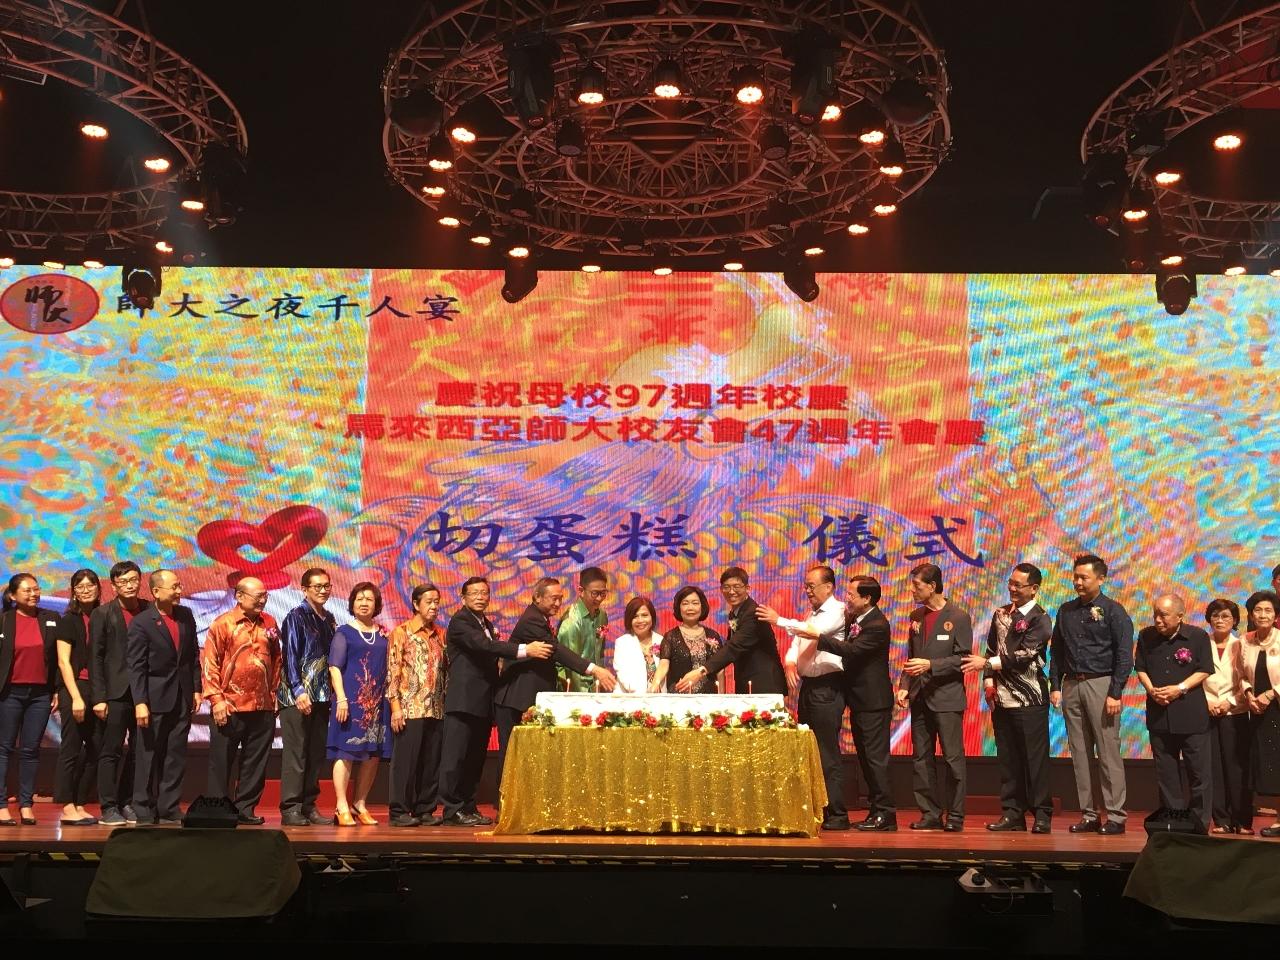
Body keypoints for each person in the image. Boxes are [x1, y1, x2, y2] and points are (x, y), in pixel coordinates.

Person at [440, 577, 553, 826]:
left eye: (485, 593)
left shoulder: (486, 623)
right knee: (456, 757)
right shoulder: (460, 621)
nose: (481, 597)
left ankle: (468, 807)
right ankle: (452, 810)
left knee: (475, 758)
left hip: (482, 701)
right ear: (463, 597)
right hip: (463, 700)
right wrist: (525, 650)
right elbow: (484, 646)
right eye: (475, 593)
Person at [493, 577, 616, 790]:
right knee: (510, 755)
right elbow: (556, 650)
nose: (558, 604)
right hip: (514, 698)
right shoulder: (532, 619)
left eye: (560, 599)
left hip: (525, 698)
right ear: (537, 597)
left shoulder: (540, 618)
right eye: (553, 599)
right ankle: (504, 805)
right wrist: (594, 669)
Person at [962, 563, 1054, 833]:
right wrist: (988, 684)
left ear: (1034, 589)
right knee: (1008, 759)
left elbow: (1023, 656)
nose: (1012, 588)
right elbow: (991, 649)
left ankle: (1042, 814)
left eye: (1019, 585)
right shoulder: (1000, 614)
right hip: (1002, 699)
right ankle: (1012, 813)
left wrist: (987, 665)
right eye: (1010, 583)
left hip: (1030, 699)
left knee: (1034, 760)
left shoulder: (1041, 618)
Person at [758, 565, 848, 830]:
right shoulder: (814, 613)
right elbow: (797, 643)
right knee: (808, 749)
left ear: (828, 587)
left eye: (812, 586)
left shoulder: (837, 611)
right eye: (806, 586)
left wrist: (779, 620)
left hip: (828, 687)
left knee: (826, 752)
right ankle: (816, 809)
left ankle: (837, 813)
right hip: (810, 687)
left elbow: (811, 632)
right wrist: (789, 663)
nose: (808, 591)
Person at [1049, 553, 1133, 835]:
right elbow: (1057, 652)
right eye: (1075, 577)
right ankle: (1088, 813)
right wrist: (1055, 686)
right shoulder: (1066, 610)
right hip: (1072, 684)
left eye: (1084, 577)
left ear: (1101, 579)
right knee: (1080, 753)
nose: (1078, 582)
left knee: (1108, 752)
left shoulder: (1113, 610)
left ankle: (1116, 816)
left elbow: (1124, 655)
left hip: (1102, 684)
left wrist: (1115, 692)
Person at [815, 574, 896, 831]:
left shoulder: (877, 625)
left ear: (867, 598)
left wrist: (816, 636)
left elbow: (851, 651)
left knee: (875, 759)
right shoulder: (857, 620)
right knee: (866, 758)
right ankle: (876, 811)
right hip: (860, 700)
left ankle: (886, 813)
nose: (847, 598)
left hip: (874, 701)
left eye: (851, 595)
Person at [896, 563, 972, 832]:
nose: (913, 590)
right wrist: (905, 684)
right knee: (921, 758)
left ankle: (955, 815)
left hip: (947, 697)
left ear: (933, 585)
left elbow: (963, 658)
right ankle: (929, 812)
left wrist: (931, 666)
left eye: (917, 585)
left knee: (952, 758)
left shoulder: (958, 616)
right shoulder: (916, 616)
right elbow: (911, 656)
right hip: (920, 696)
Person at [201, 577, 282, 825]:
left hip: (262, 705)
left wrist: (274, 694)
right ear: (239, 596)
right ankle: (217, 810)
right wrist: (216, 700)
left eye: (265, 595)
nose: (263, 600)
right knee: (221, 761)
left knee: (255, 762)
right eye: (257, 596)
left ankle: (245, 808)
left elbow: (277, 659)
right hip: (230, 705)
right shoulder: (223, 623)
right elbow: (209, 664)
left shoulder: (269, 622)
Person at [128, 569, 201, 825]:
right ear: (156, 592)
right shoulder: (142, 622)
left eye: (180, 586)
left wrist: (196, 689)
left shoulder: (186, 615)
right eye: (174, 587)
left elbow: (192, 656)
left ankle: (168, 805)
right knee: (148, 754)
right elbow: (136, 666)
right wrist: (140, 702)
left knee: (175, 754)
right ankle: (143, 806)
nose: (179, 591)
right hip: (153, 698)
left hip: (181, 697)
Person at [1135, 594, 1213, 833]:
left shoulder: (1197, 636)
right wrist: (1151, 690)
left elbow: (1204, 670)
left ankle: (1199, 825)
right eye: (1155, 614)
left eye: (1164, 615)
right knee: (1166, 773)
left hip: (1191, 714)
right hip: (1159, 714)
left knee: (1198, 774)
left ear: (1180, 615)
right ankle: (1175, 823)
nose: (1158, 620)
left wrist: (1179, 689)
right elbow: (1141, 667)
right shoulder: (1146, 636)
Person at [327, 582, 391, 827]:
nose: (364, 603)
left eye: (369, 599)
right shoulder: (344, 632)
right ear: (352, 603)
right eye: (359, 599)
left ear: (376, 605)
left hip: (377, 704)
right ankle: (341, 805)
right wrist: (341, 698)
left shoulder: (383, 633)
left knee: (372, 755)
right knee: (346, 753)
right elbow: (334, 667)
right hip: (350, 703)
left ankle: (359, 804)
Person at [278, 566, 336, 827]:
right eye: (317, 586)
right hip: (297, 697)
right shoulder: (295, 616)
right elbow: (290, 656)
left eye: (326, 586)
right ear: (305, 589)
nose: (323, 590)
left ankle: (308, 805)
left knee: (315, 753)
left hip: (322, 696)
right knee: (297, 753)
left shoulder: (329, 618)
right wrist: (298, 689)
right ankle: (291, 807)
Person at [90, 560, 147, 826]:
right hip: (115, 693)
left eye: (133, 580)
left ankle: (128, 801)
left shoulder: (148, 609)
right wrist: (99, 698)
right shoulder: (103, 613)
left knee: (139, 751)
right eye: (123, 581)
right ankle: (108, 806)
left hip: (144, 694)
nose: (129, 585)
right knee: (110, 751)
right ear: (113, 586)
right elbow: (96, 658)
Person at [0, 574, 59, 826]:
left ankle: (26, 805)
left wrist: (56, 690)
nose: (34, 594)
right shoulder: (4, 620)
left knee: (30, 750)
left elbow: (57, 658)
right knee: (3, 749)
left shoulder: (50, 619)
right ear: (13, 596)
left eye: (36, 589)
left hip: (40, 695)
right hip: (9, 693)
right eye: (27, 590)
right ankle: (1, 805)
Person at [386, 583, 447, 827]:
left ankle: (425, 809)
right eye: (429, 602)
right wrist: (395, 707)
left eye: (437, 602)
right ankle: (399, 810)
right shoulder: (401, 632)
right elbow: (393, 672)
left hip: (436, 707)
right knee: (405, 762)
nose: (434, 607)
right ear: (415, 604)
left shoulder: (441, 635)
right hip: (410, 707)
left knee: (430, 761)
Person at [676, 567, 786, 695]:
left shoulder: (754, 613)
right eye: (726, 587)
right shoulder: (736, 612)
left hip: (763, 684)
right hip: (746, 681)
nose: (731, 591)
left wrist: (701, 671)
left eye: (737, 586)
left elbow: (734, 647)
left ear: (747, 588)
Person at [54, 569, 103, 826]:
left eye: (90, 585)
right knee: (71, 748)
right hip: (75, 689)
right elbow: (63, 661)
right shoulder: (68, 620)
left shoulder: (104, 616)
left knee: (97, 749)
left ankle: (81, 803)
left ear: (98, 588)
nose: (85, 590)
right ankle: (67, 805)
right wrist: (75, 697)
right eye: (79, 586)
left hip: (99, 690)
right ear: (73, 591)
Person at [1203, 599, 1251, 833]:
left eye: (1225, 617)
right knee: (1214, 768)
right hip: (1208, 711)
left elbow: (1248, 679)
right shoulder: (1201, 643)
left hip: (1236, 711)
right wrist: (1209, 702)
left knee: (1236, 767)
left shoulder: (1242, 644)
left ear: (1234, 621)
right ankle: (1221, 820)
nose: (1220, 620)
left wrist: (1229, 701)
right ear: (1209, 619)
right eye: (1215, 616)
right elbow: (1195, 677)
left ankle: (1241, 820)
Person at [1235, 590, 1280, 837]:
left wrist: (1271, 694)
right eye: (1258, 610)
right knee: (1269, 766)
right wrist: (1250, 694)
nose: (1263, 615)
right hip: (1258, 711)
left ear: (1275, 616)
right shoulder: (1245, 640)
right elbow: (1241, 675)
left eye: (1268, 610)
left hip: (1277, 707)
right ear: (1251, 614)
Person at [654, 586, 723, 694]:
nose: (690, 608)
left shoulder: (713, 635)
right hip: (679, 699)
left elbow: (720, 669)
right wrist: (655, 684)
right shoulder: (670, 636)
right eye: (685, 603)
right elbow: (663, 664)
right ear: (679, 608)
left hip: (709, 700)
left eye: (695, 603)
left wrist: (722, 697)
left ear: (702, 606)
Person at [557, 567, 609, 692]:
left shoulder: (602, 615)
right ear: (581, 591)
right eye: (595, 593)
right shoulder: (572, 622)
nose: (599, 598)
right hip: (576, 688)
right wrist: (581, 697)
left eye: (603, 593)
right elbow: (570, 666)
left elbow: (600, 653)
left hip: (596, 684)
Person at [612, 597, 661, 694]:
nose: (640, 620)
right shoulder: (622, 643)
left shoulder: (662, 641)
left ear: (652, 617)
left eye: (644, 615)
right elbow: (624, 676)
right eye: (635, 616)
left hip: (658, 701)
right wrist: (644, 700)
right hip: (629, 700)